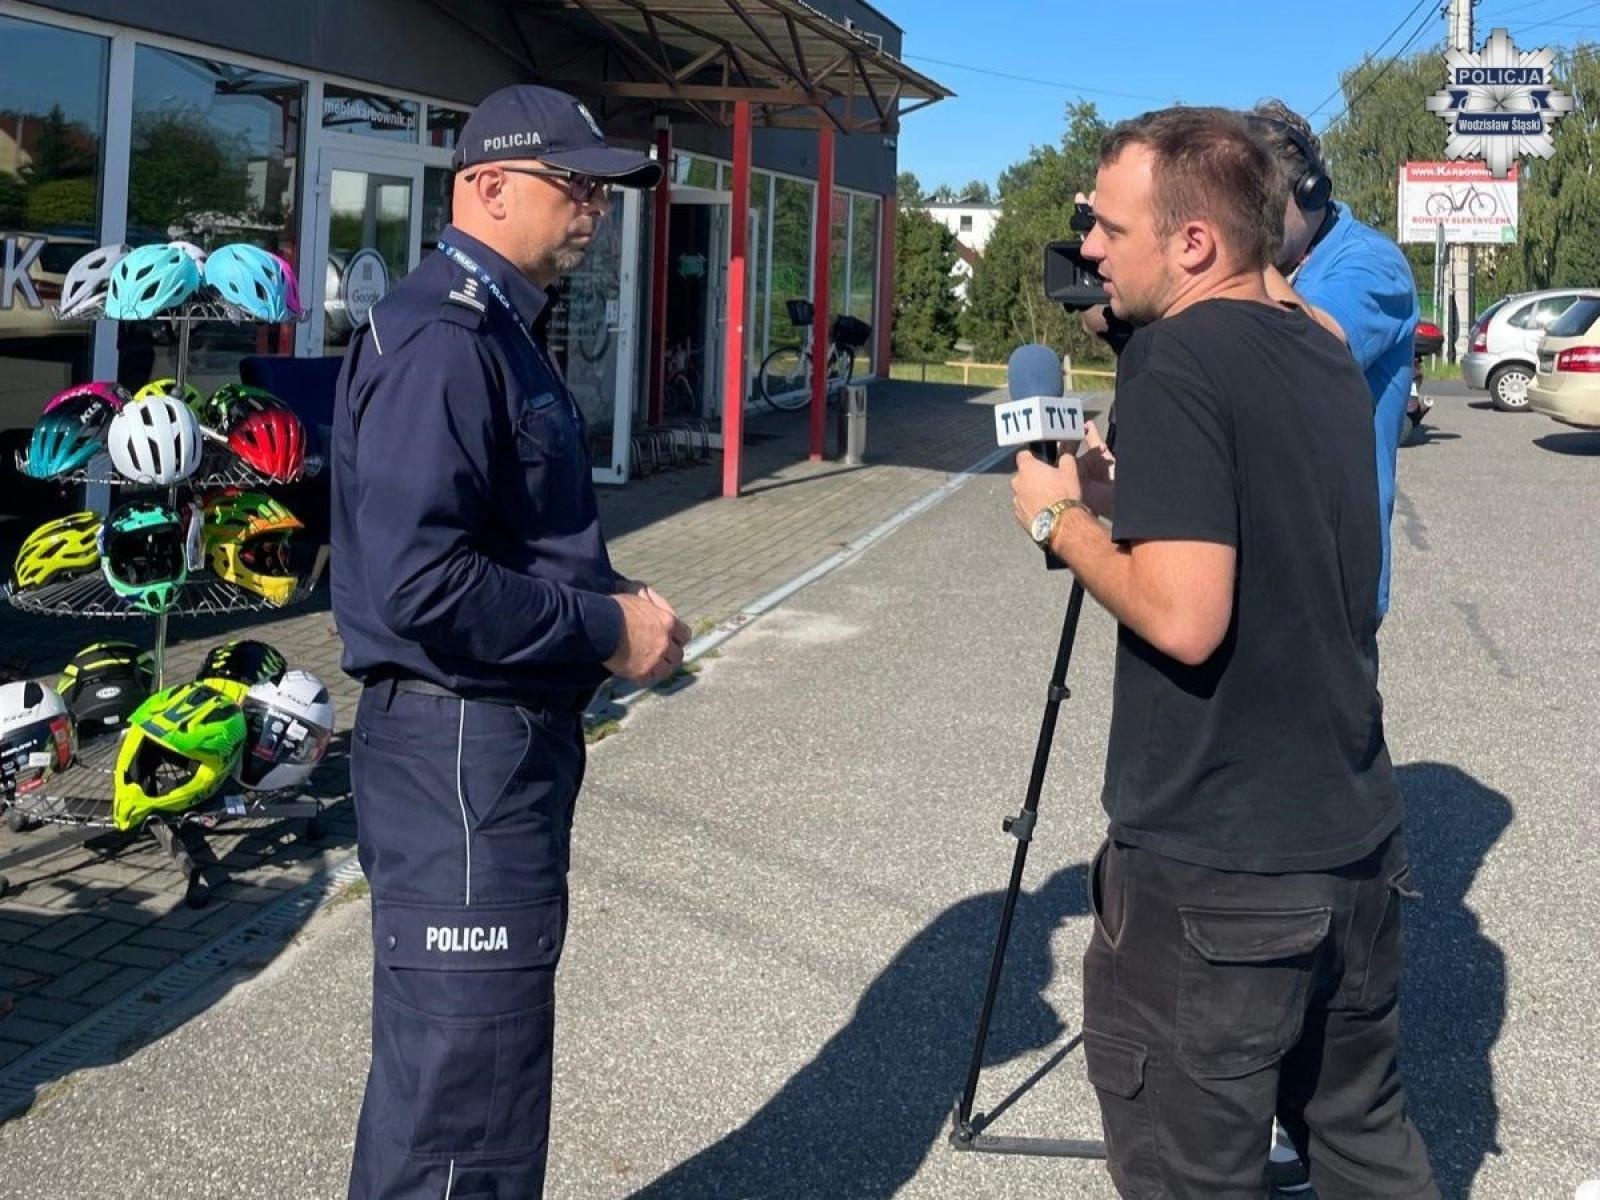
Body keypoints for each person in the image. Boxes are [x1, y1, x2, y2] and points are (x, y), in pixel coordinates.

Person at [1008, 107, 1438, 1198]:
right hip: (1353, 846)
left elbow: (1186, 617)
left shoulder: (1178, 357)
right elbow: (1264, 519)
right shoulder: (1321, 349)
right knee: (1364, 1145)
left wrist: (1060, 519)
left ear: (1193, 241)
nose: (1088, 249)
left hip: (1216, 875)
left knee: (1188, 1171)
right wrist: (1125, 494)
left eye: (1109, 228)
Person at [330, 84, 690, 1200]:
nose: (596, 206)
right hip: (459, 753)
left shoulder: (494, 327)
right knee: (461, 1108)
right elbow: (422, 582)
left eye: (602, 189)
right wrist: (606, 629)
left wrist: (605, 591)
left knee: (468, 1086)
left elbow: (497, 537)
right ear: (487, 186)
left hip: (488, 748)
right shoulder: (447, 339)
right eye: (573, 183)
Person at [1250, 99, 1420, 620]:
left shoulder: (1371, 262)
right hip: (1250, 565)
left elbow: (1311, 349)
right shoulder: (1272, 266)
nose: (1244, 220)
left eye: (1255, 205)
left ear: (1311, 192)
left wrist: (1238, 251)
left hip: (1330, 582)